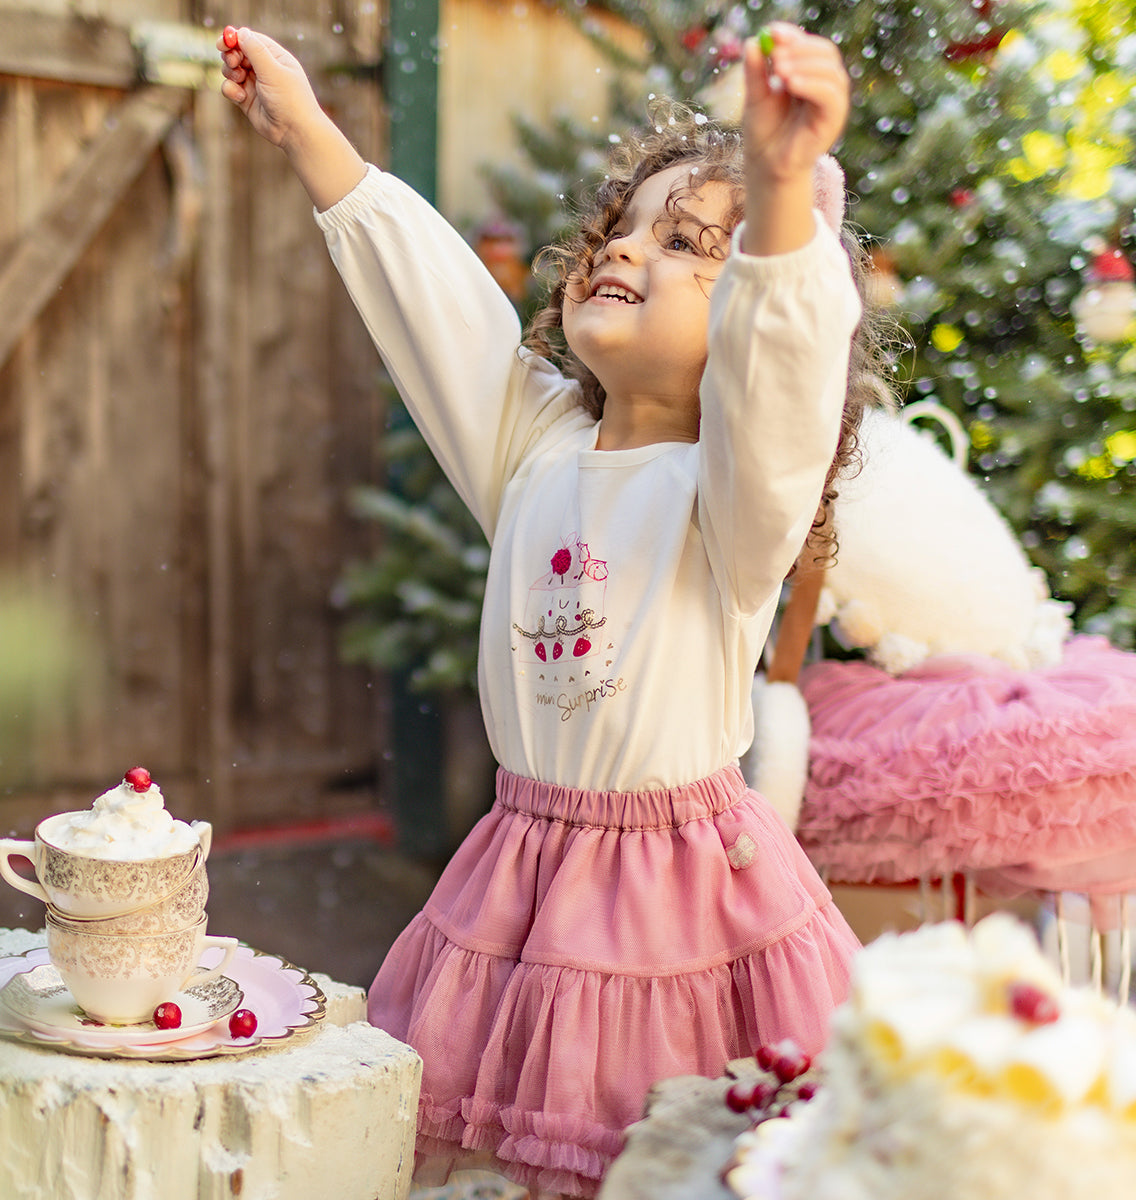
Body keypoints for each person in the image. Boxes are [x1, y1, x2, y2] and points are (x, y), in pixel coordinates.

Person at [219, 23, 870, 1198]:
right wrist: (313, 133)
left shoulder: (733, 495)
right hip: (517, 880)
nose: (625, 249)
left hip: (686, 909)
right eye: (621, 229)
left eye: (684, 243)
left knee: (666, 1163)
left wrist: (779, 195)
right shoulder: (534, 449)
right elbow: (443, 319)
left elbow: (785, 371)